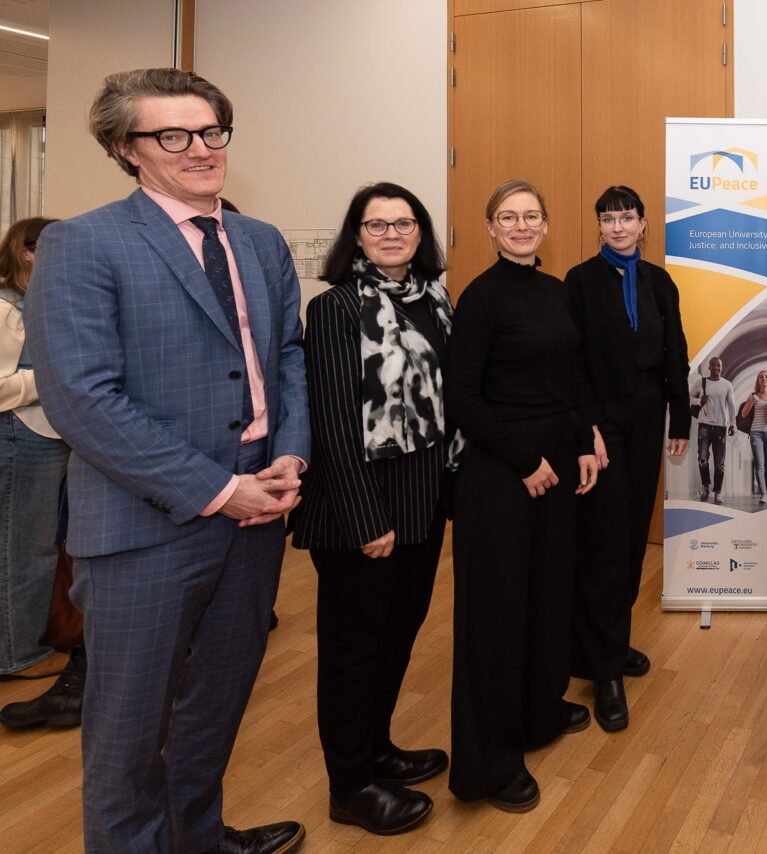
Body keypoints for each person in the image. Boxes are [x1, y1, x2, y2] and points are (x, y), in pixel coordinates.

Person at [24, 68, 309, 854]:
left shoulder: (257, 240)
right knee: (126, 739)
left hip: (259, 517)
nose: (201, 149)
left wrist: (289, 454)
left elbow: (286, 354)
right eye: (172, 135)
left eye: (212, 131)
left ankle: (199, 839)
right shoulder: (82, 244)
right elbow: (82, 399)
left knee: (214, 710)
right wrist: (220, 490)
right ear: (126, 149)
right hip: (146, 529)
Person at [290, 183, 459, 835]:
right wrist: (366, 520)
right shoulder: (334, 308)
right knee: (353, 650)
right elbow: (332, 420)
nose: (392, 233)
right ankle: (351, 785)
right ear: (355, 234)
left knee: (398, 635)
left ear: (421, 233)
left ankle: (378, 747)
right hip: (358, 507)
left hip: (421, 499)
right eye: (377, 223)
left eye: (404, 222)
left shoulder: (435, 303)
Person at [445, 179, 599, 813]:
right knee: (498, 616)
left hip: (557, 465)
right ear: (490, 227)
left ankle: (538, 712)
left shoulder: (555, 291)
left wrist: (587, 437)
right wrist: (524, 460)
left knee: (548, 595)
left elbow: (571, 376)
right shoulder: (479, 300)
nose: (520, 225)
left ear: (545, 224)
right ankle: (491, 763)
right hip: (501, 474)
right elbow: (463, 400)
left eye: (531, 215)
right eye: (507, 217)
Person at [565, 185, 691, 732]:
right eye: (608, 218)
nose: (618, 227)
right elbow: (569, 362)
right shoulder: (579, 281)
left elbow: (677, 351)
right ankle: (603, 667)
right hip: (601, 422)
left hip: (647, 416)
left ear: (644, 224)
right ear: (599, 226)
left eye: (628, 218)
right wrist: (585, 428)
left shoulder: (661, 281)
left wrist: (681, 418)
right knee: (605, 540)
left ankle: (610, 643)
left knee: (634, 533)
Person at [0, 217, 75, 691]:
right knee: (25, 550)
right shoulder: (6, 311)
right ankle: (20, 654)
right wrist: (52, 375)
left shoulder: (34, 304)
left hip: (39, 438)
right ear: (28, 252)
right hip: (22, 438)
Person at [692, 355, 734, 502]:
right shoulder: (701, 382)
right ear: (709, 367)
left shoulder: (727, 384)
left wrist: (733, 424)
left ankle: (717, 492)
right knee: (702, 459)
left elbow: (731, 406)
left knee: (719, 464)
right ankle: (706, 487)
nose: (716, 368)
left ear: (721, 367)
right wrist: (698, 400)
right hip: (704, 425)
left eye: (719, 365)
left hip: (720, 427)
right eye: (714, 365)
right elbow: (688, 397)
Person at [740, 369, 767, 504]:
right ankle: (764, 493)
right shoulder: (753, 395)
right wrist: (750, 402)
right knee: (759, 465)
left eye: (766, 377)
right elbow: (743, 414)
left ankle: (764, 489)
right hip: (756, 433)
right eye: (761, 377)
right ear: (758, 381)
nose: (764, 379)